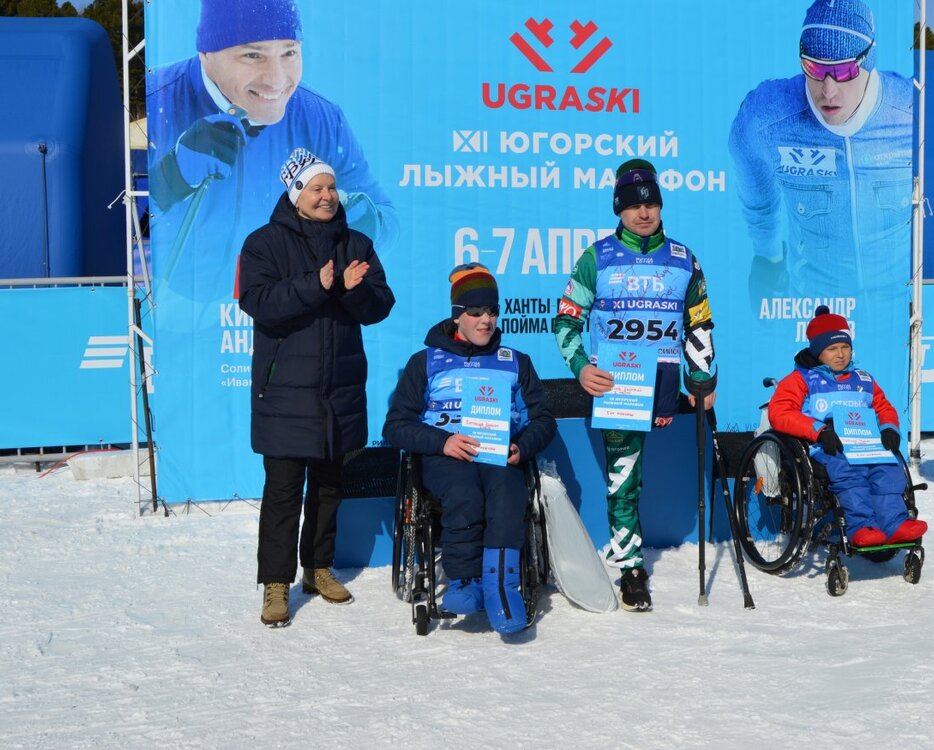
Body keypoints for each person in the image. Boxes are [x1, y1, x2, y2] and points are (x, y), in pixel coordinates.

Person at [148, 0, 397, 294]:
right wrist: (171, 176)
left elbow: (388, 218)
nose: (276, 80)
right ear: (206, 54)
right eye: (253, 55)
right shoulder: (159, 100)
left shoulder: (322, 118)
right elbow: (121, 222)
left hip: (293, 307)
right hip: (187, 323)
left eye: (289, 53)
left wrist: (362, 221)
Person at [238, 148, 396, 627]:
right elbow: (257, 301)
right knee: (283, 492)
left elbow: (380, 305)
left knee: (329, 488)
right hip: (285, 393)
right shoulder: (263, 243)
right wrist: (318, 283)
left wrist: (352, 289)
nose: (327, 196)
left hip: (339, 391)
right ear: (295, 194)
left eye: (330, 187)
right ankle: (276, 585)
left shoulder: (358, 243)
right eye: (316, 189)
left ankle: (318, 569)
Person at [551, 158, 717, 612]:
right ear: (619, 210)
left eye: (652, 204)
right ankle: (630, 568)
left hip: (662, 383)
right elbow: (567, 320)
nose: (644, 213)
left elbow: (698, 324)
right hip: (616, 385)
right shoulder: (597, 257)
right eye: (633, 206)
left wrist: (702, 379)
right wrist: (582, 367)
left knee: (639, 476)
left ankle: (627, 553)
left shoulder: (684, 259)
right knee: (623, 478)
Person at [384, 264, 556, 635]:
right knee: (463, 491)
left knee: (508, 491)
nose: (486, 320)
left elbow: (544, 421)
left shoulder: (515, 363)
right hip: (446, 455)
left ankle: (501, 587)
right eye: (476, 312)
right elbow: (396, 426)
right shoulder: (425, 362)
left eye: (492, 311)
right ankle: (465, 581)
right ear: (457, 315)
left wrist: (521, 446)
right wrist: (442, 441)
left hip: (498, 453)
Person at [728, 0, 912, 298]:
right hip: (815, 305)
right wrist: (768, 257)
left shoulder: (910, 111)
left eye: (843, 71)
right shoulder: (769, 117)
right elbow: (751, 177)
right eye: (814, 69)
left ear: (868, 60)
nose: (827, 90)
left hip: (896, 303)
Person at [767, 306, 926, 547]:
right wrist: (818, 431)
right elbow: (780, 412)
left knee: (888, 468)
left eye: (845, 347)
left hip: (865, 442)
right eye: (832, 349)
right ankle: (862, 527)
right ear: (817, 351)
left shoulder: (863, 379)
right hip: (826, 445)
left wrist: (889, 429)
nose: (840, 354)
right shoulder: (800, 379)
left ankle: (895, 523)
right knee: (850, 471)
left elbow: (884, 407)